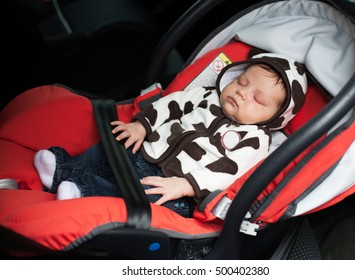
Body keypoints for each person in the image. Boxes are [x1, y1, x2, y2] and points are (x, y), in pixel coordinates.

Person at [33, 52, 308, 218]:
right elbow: (170, 105)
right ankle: (65, 168)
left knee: (143, 196)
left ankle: (84, 192)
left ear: (274, 118)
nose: (241, 92)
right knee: (113, 149)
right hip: (150, 150)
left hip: (178, 190)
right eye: (241, 81)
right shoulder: (207, 96)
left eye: (257, 99)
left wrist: (185, 185)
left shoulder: (255, 140)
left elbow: (228, 172)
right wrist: (142, 126)